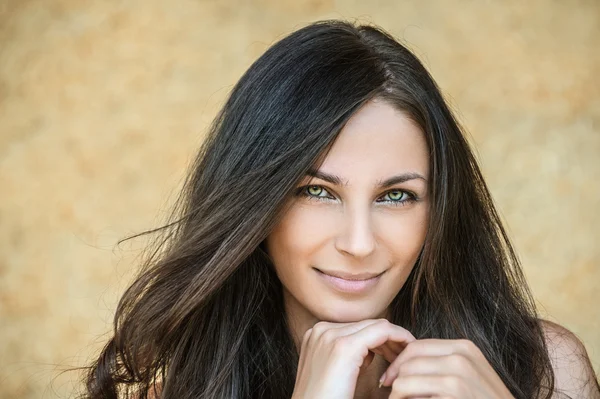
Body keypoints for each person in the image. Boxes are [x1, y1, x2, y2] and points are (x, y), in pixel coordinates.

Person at [80, 20, 599, 399]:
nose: (358, 243)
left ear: (438, 210)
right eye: (317, 192)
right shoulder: (181, 394)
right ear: (255, 204)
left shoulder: (545, 371)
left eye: (396, 196)